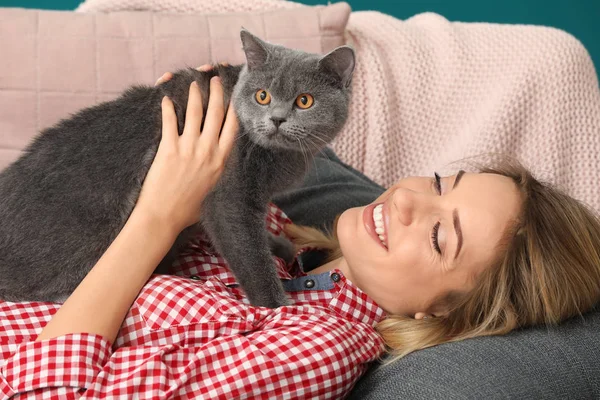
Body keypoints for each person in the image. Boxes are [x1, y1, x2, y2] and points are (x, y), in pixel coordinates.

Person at [0, 67, 599, 399]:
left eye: (443, 238)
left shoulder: (318, 349)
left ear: (440, 316)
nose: (412, 199)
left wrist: (156, 218)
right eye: (442, 182)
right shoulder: (283, 243)